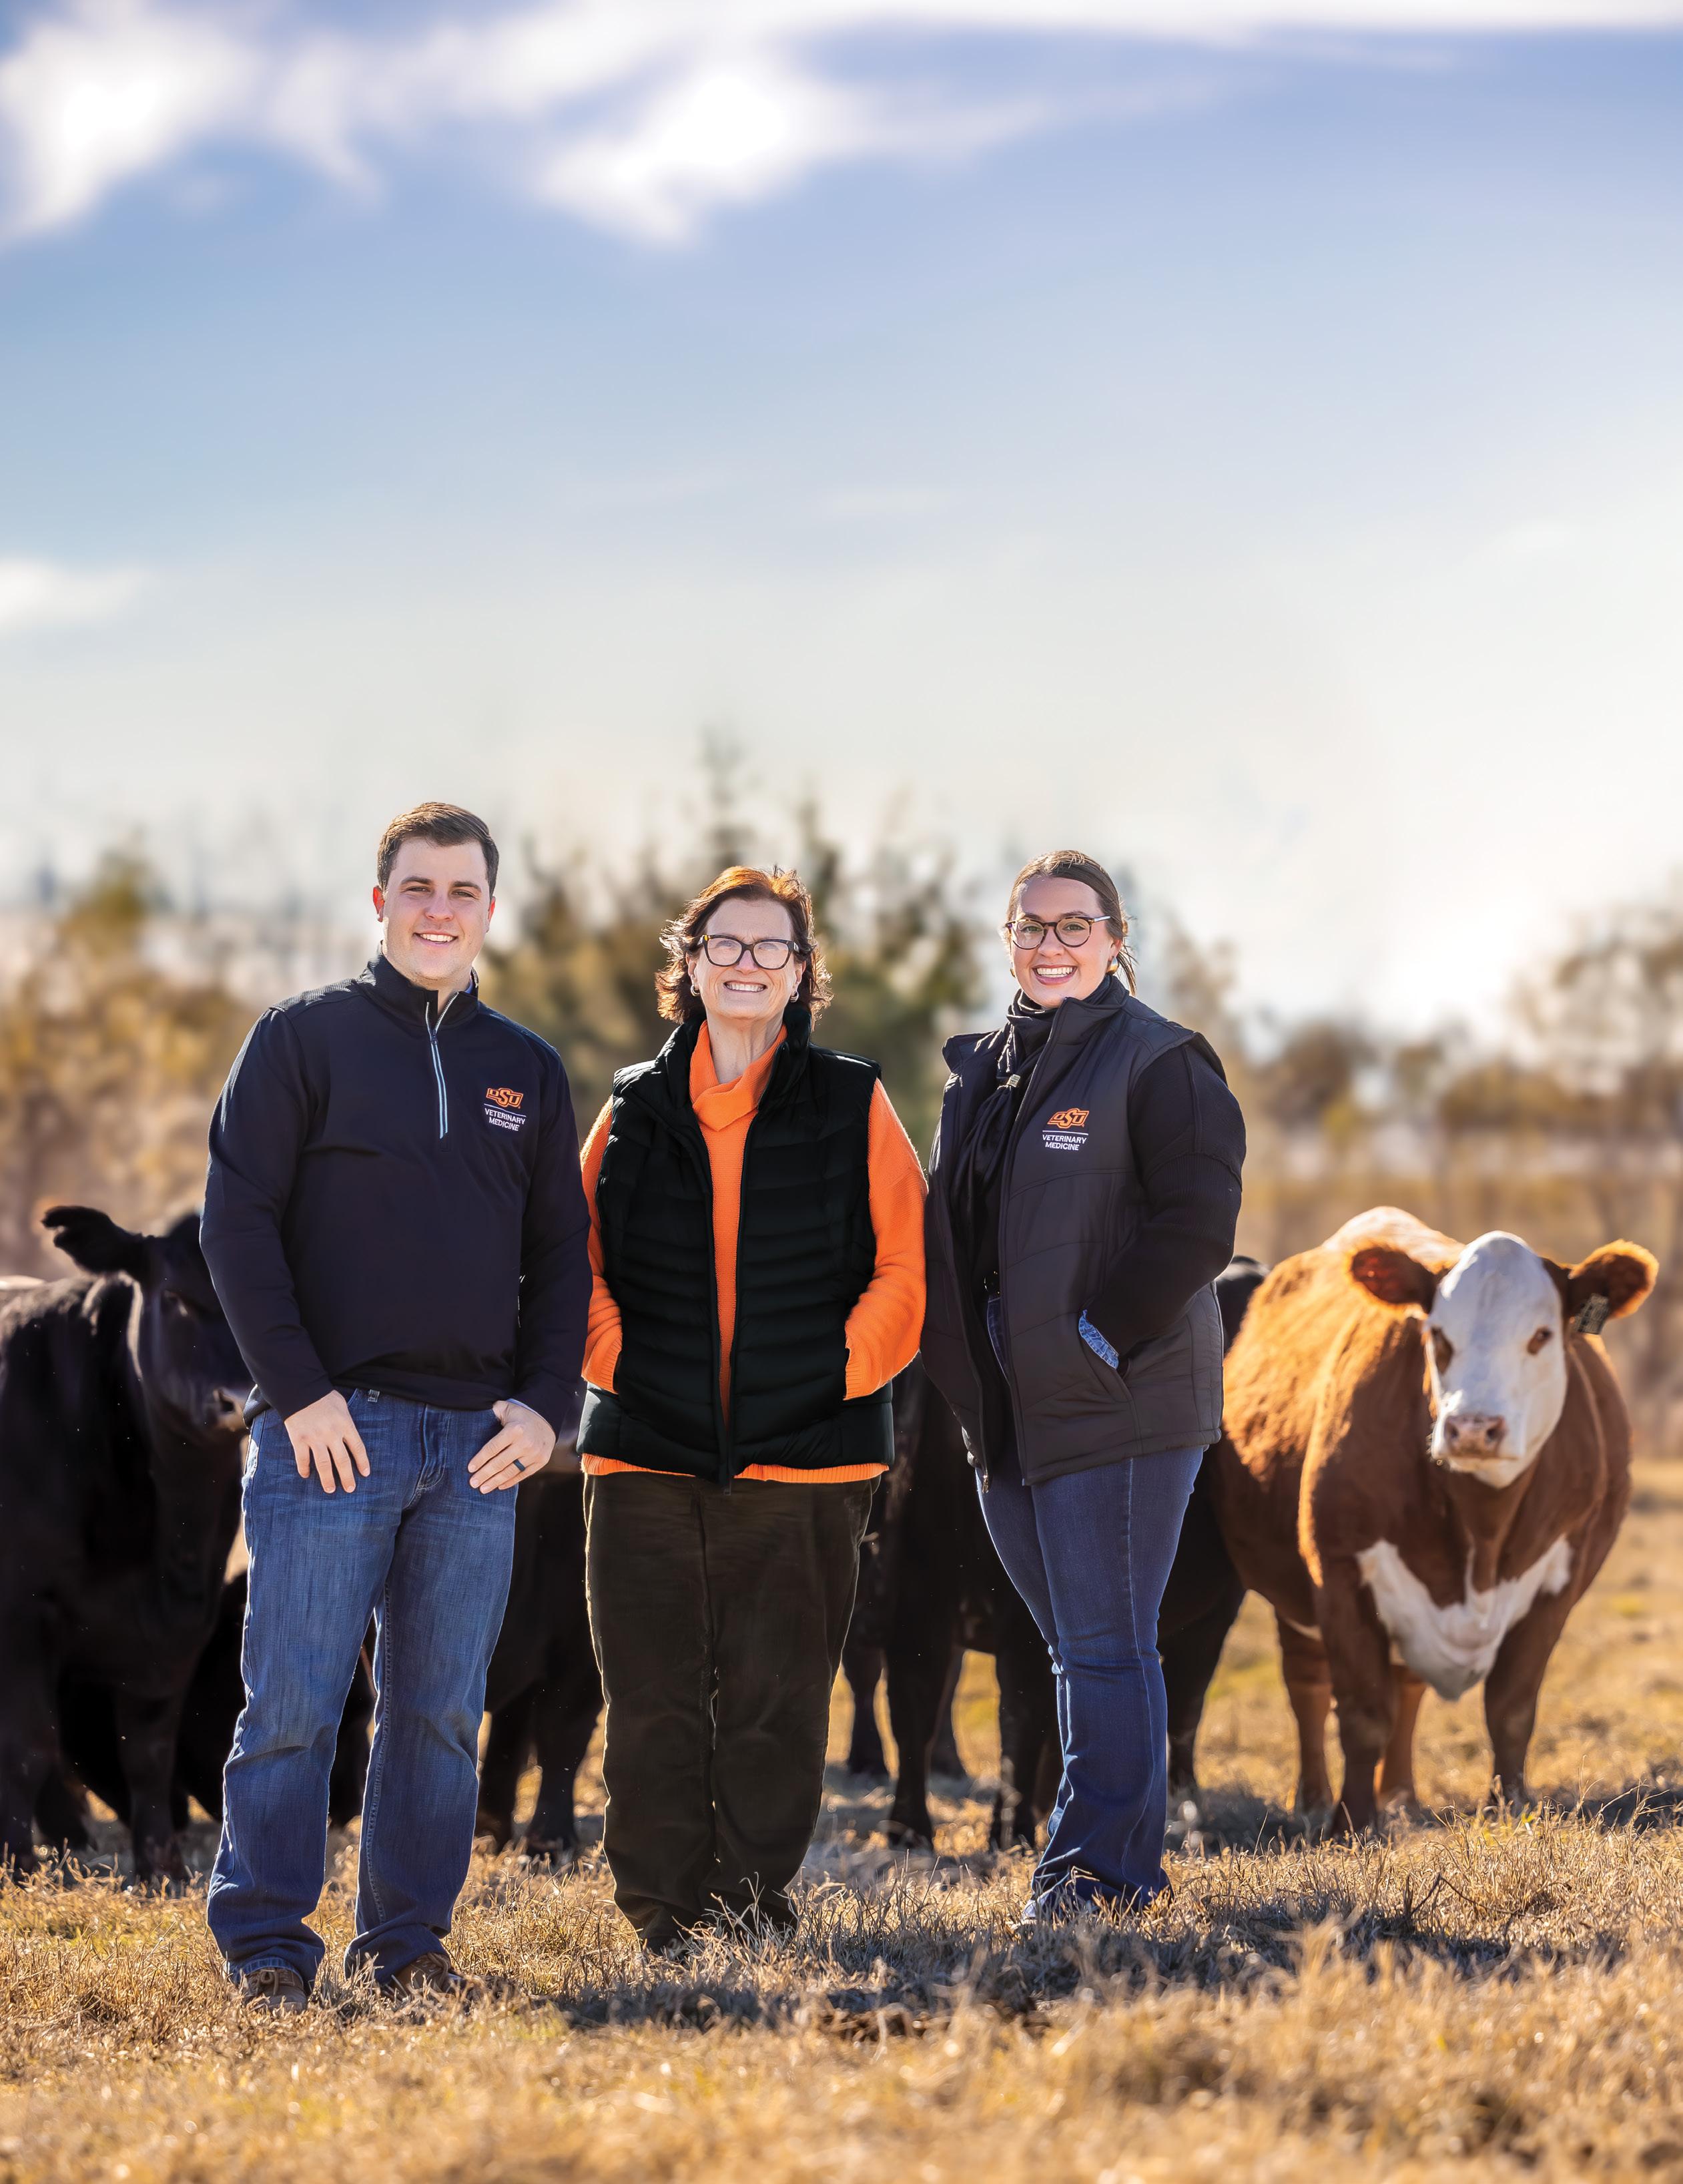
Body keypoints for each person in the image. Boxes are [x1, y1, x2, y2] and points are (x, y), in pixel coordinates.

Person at [200, 802, 591, 2010]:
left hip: (476, 1446)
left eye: (462, 891)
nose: (439, 910)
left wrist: (543, 1408)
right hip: (331, 1434)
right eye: (418, 888)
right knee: (295, 1705)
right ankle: (267, 1945)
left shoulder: (526, 1070)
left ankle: (407, 1943)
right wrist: (299, 1395)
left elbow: (561, 1258)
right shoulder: (300, 1039)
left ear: (489, 909)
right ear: (380, 903)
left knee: (439, 1715)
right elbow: (236, 1225)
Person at [577, 864, 926, 1952]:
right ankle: (659, 1916)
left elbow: (906, 1269)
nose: (745, 963)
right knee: (651, 1702)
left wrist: (833, 1374)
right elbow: (572, 1259)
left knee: (778, 1703)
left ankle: (746, 1908)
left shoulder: (853, 1100)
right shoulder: (632, 1105)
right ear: (689, 966)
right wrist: (619, 1364)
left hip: (807, 1460)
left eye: (770, 946)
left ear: (800, 972)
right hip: (643, 1456)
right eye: (723, 944)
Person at [920, 850, 1244, 1920]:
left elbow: (1198, 1221)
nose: (1049, 944)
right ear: (1007, 940)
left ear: (1114, 940)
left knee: (1105, 1649)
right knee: (1075, 1652)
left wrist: (1101, 1338)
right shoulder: (980, 1076)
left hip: (1121, 1398)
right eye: (1030, 926)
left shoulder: (1160, 1060)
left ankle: (1095, 1880)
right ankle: (1110, 1869)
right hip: (1007, 1406)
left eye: (1073, 926)